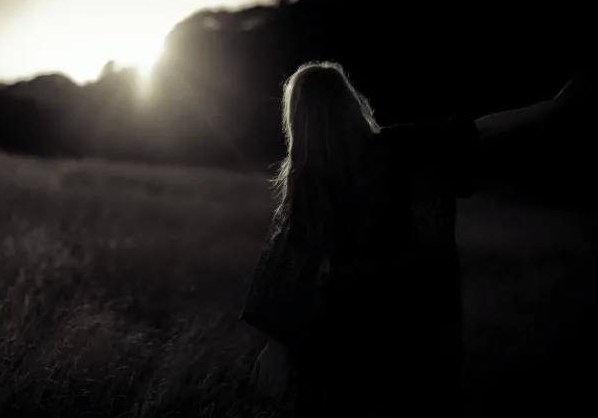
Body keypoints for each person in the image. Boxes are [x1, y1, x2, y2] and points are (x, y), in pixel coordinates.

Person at [238, 61, 592, 416]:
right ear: (349, 102)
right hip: (410, 319)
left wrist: (276, 347)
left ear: (297, 119)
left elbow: (288, 265)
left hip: (347, 329)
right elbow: (477, 130)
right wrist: (553, 106)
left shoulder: (310, 179)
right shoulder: (398, 147)